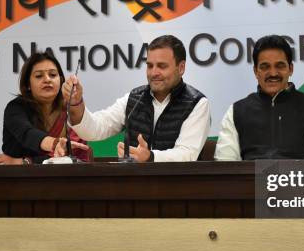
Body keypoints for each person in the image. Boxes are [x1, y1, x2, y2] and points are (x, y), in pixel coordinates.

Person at [62, 35, 210, 162]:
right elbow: (95, 129)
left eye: (162, 66)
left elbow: (187, 154)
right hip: (135, 186)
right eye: (150, 66)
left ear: (181, 67)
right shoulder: (135, 98)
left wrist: (150, 157)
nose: (154, 72)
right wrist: (76, 103)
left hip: (179, 188)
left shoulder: (197, 103)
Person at [214, 34, 304, 160]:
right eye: (265, 67)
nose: (273, 73)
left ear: (290, 69)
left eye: (280, 66)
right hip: (249, 179)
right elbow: (225, 166)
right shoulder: (236, 111)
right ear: (256, 71)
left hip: (299, 179)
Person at [0, 52, 90, 165]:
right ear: (28, 84)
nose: (47, 79)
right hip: (17, 178)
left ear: (61, 80)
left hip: (66, 178)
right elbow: (28, 133)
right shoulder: (15, 108)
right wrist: (55, 144)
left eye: (52, 75)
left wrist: (26, 162)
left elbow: (72, 157)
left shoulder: (69, 109)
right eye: (39, 76)